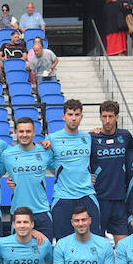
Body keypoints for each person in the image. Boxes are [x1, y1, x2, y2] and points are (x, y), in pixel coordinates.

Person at [46, 100, 99, 238]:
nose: (73, 118)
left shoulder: (88, 137)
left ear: (81, 116)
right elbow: (48, 165)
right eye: (70, 114)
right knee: (62, 242)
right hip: (63, 196)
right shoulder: (53, 139)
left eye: (77, 114)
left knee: (94, 240)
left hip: (87, 194)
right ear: (64, 116)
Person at [0, 117, 53, 238]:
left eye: (28, 131)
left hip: (41, 211)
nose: (24, 135)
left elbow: (58, 170)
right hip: (18, 212)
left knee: (46, 251)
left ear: (34, 132)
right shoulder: (7, 155)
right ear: (16, 133)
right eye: (21, 131)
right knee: (19, 253)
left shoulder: (44, 151)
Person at [89, 102, 132, 239]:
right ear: (100, 117)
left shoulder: (125, 136)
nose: (107, 121)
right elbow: (79, 160)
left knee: (123, 247)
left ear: (117, 117)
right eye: (104, 116)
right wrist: (86, 175)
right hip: (99, 198)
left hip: (120, 199)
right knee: (98, 243)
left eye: (111, 116)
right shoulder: (91, 138)